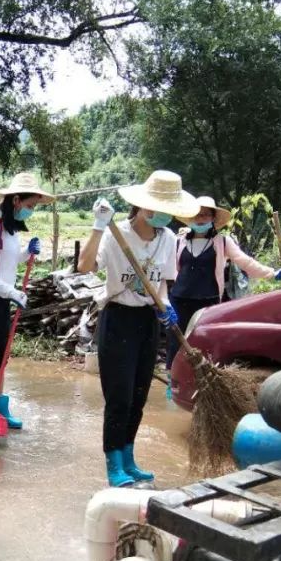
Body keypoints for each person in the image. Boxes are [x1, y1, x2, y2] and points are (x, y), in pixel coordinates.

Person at [78, 170, 199, 487]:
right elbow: (85, 267)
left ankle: (129, 457)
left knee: (139, 395)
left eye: (168, 210)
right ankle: (113, 462)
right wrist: (97, 226)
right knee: (118, 397)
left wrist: (166, 306)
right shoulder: (116, 234)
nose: (164, 215)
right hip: (118, 318)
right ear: (143, 206)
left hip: (147, 322)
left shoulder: (169, 239)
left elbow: (162, 287)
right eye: (158, 207)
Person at [165, 195, 281, 374]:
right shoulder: (180, 241)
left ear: (213, 219)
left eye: (205, 215)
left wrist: (273, 273)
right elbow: (167, 270)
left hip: (208, 302)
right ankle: (174, 383)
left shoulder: (222, 242)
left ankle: (203, 383)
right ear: (191, 218)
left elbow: (245, 262)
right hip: (179, 300)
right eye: (197, 215)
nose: (200, 219)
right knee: (175, 343)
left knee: (203, 343)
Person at [0, 172, 51, 430]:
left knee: (0, 357)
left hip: (1, 297)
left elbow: (7, 263)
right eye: (29, 206)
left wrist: (28, 253)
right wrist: (12, 293)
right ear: (15, 200)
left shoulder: (12, 226)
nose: (31, 211)